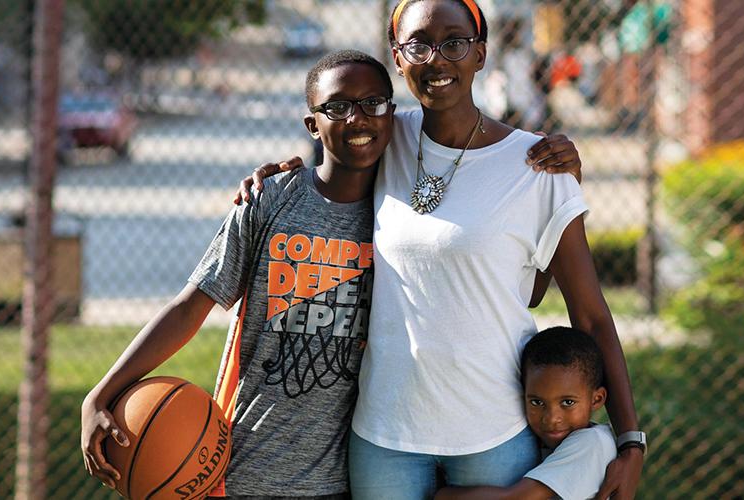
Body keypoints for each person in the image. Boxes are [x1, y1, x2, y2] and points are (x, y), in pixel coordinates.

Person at [238, 1, 645, 499]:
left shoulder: (538, 167)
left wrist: (630, 442)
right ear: (398, 57)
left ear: (480, 54)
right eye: (419, 45)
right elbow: (332, 159)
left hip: (492, 432)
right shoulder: (384, 136)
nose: (437, 58)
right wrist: (280, 179)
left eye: (454, 42)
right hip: (385, 433)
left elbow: (591, 315)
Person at [80, 49, 397, 498]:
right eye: (338, 107)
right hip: (245, 465)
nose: (358, 118)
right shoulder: (270, 201)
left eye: (373, 103)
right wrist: (101, 393)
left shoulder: (405, 214)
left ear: (392, 113)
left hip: (342, 478)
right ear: (312, 125)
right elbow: (191, 305)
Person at [435, 326, 621, 500]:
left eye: (567, 402)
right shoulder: (542, 441)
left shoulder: (592, 444)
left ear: (597, 399)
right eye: (537, 402)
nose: (551, 418)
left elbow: (514, 498)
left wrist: (441, 495)